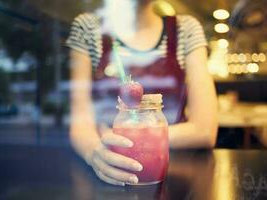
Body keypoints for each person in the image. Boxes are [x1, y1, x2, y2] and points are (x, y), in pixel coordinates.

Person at [66, 0, 218, 186]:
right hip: (110, 167)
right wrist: (94, 153)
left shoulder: (185, 29)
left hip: (176, 170)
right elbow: (80, 127)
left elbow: (204, 130)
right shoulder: (88, 27)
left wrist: (138, 138)